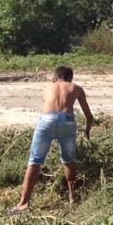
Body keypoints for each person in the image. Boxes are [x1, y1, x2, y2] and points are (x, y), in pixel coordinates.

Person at [10, 66, 94, 214]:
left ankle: (23, 203)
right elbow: (89, 116)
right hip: (67, 122)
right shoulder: (76, 88)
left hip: (46, 120)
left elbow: (48, 107)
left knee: (35, 160)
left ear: (55, 78)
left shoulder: (47, 88)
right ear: (71, 78)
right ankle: (72, 198)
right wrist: (87, 129)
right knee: (69, 160)